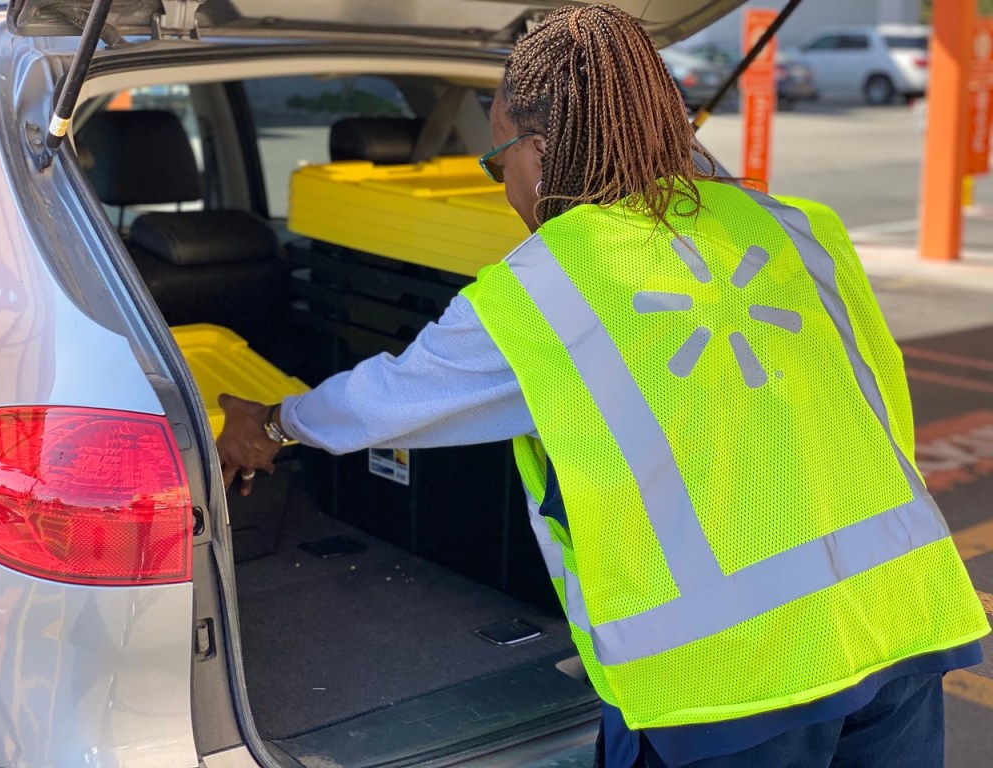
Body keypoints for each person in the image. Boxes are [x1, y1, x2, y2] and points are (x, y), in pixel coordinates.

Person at [215, 5, 989, 766]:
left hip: (732, 685)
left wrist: (271, 424)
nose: (502, 185)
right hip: (901, 627)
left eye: (497, 161)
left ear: (543, 152)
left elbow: (385, 401)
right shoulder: (794, 227)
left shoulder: (547, 291)